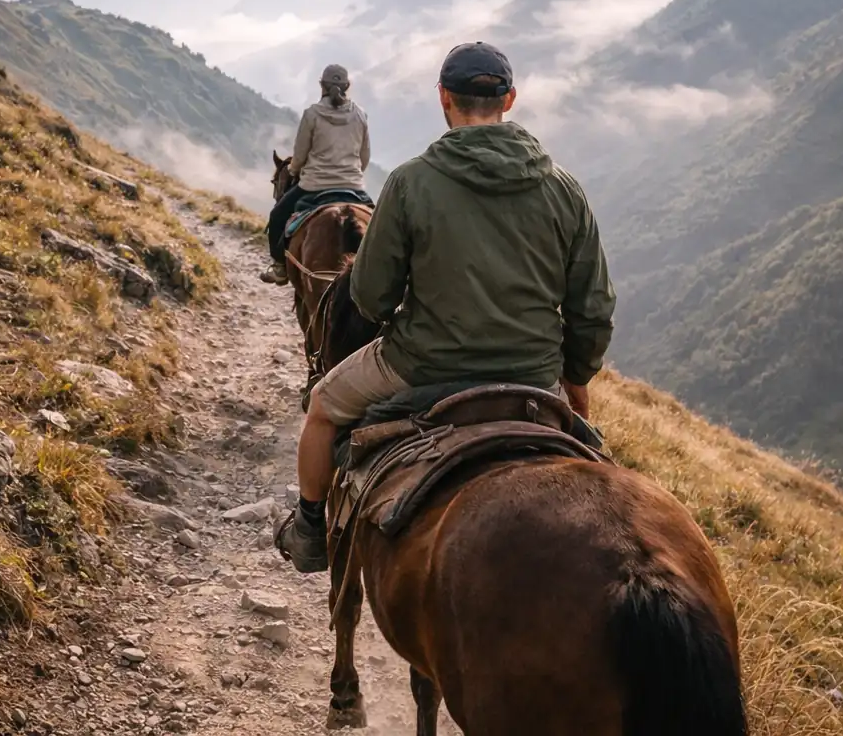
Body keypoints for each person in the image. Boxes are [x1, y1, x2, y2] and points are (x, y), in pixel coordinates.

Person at [276, 41, 616, 573]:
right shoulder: (564, 189)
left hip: (421, 363)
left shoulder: (411, 183)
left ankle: (310, 530)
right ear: (510, 99)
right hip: (534, 371)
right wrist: (574, 375)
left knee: (321, 408)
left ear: (443, 99)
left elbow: (371, 296)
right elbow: (593, 307)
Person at [260, 64, 372, 285]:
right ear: (347, 86)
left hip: (313, 186)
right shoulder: (360, 115)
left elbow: (299, 157)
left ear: (321, 85)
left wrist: (293, 171)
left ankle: (281, 267)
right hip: (354, 187)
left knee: (277, 217)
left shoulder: (312, 114)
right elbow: (364, 158)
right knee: (381, 224)